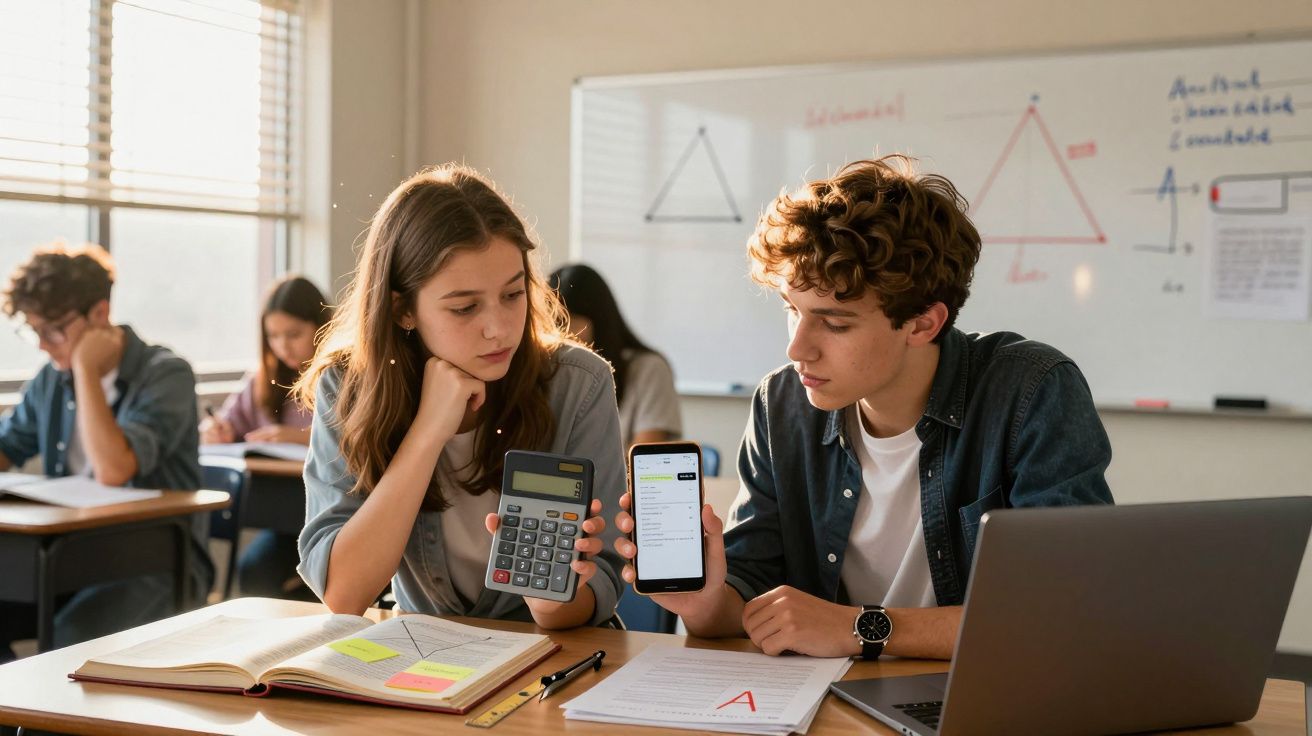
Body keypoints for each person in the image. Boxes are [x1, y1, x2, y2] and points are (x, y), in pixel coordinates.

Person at [613, 155, 1115, 659]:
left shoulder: (1032, 391)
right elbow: (742, 612)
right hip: (828, 702)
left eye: (834, 324)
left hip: (977, 700)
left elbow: (1062, 614)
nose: (797, 349)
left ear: (922, 324)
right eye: (793, 311)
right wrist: (701, 603)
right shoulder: (781, 404)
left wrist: (861, 628)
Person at [295, 164, 625, 628]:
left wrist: (551, 598)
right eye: (465, 307)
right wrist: (428, 430)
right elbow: (344, 593)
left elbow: (603, 586)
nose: (498, 328)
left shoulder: (577, 383)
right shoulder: (348, 385)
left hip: (552, 650)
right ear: (402, 308)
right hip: (427, 652)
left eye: (513, 295)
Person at [0, 243, 212, 660]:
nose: (44, 345)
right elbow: (8, 445)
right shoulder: (50, 379)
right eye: (34, 330)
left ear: (99, 314)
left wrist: (86, 371)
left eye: (54, 330)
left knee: (69, 641)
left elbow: (114, 469)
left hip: (153, 561)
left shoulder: (166, 374)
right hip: (70, 558)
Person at [200, 275, 330, 600]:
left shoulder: (342, 374)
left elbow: (361, 437)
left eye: (294, 334)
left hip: (332, 520)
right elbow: (223, 426)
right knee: (254, 570)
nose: (282, 346)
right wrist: (216, 431)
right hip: (286, 521)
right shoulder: (263, 379)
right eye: (273, 336)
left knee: (308, 584)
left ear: (322, 327)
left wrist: (300, 438)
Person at [549, 264, 682, 448]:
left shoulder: (649, 369)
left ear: (598, 319)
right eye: (550, 323)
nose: (556, 333)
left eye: (564, 322)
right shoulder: (554, 371)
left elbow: (642, 464)